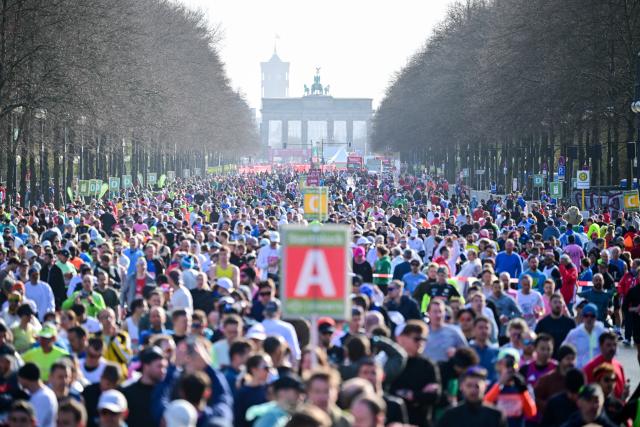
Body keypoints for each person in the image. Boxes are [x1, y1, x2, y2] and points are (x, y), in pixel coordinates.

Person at [389, 320, 440, 427]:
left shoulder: (428, 365)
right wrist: (419, 395)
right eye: (417, 339)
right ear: (402, 339)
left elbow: (435, 396)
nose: (421, 343)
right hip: (396, 422)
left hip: (421, 421)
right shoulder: (394, 363)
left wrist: (411, 395)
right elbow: (389, 391)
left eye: (423, 339)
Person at [436, 366, 507, 427]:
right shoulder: (450, 415)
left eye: (477, 386)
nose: (473, 390)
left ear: (485, 387)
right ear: (461, 387)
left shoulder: (495, 415)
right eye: (469, 385)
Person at [121, 346, 167, 426]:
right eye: (159, 366)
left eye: (164, 367)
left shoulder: (165, 392)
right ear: (146, 366)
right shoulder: (127, 392)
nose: (163, 371)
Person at [533, 344, 577, 416]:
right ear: (560, 360)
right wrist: (550, 408)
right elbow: (535, 397)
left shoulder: (577, 378)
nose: (571, 362)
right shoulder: (547, 379)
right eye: (568, 359)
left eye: (573, 359)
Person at [582, 331, 626, 399]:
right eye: (608, 345)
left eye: (614, 345)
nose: (612, 348)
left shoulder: (619, 367)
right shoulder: (589, 368)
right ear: (600, 346)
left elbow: (621, 393)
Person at [562, 303, 607, 367]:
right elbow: (563, 349)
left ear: (596, 317)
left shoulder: (602, 332)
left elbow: (612, 351)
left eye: (592, 316)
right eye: (586, 316)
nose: (589, 318)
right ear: (583, 317)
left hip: (598, 370)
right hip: (581, 371)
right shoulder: (575, 333)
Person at [534, 293, 576, 359]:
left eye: (560, 302)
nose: (557, 305)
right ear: (550, 304)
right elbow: (536, 341)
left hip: (565, 358)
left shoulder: (570, 323)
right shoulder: (542, 323)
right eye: (555, 302)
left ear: (563, 305)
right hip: (547, 359)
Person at [17, 363, 58, 427]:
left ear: (25, 379)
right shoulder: (40, 393)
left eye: (20, 378)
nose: (19, 382)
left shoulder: (43, 397)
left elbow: (36, 424)